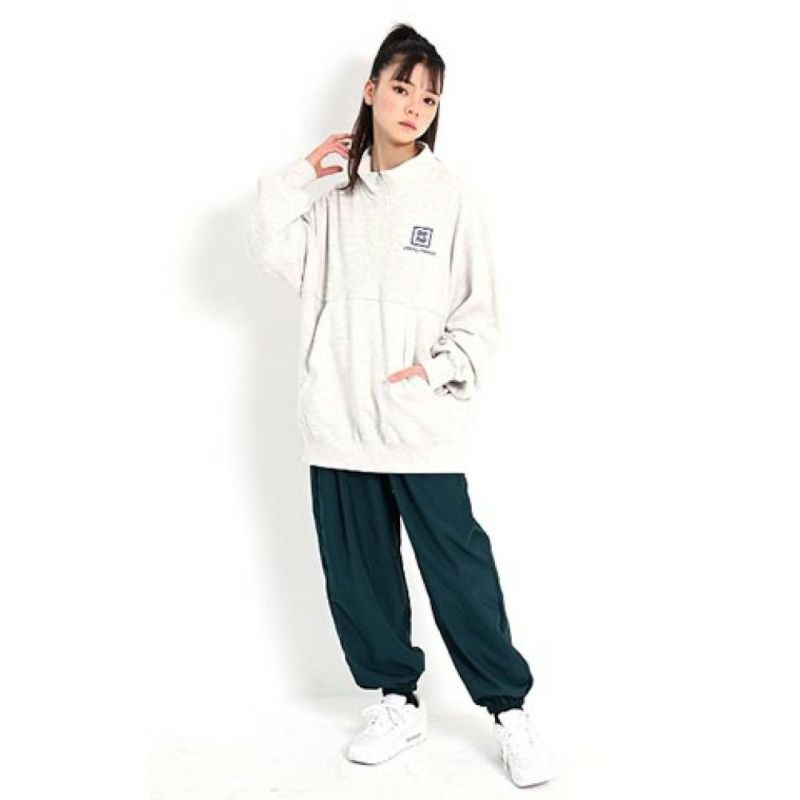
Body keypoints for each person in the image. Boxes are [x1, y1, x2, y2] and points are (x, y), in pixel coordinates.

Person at [247, 23, 555, 788]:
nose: (414, 105)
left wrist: (435, 369)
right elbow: (265, 240)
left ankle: (509, 711)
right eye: (401, 87)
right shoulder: (334, 206)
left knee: (460, 571)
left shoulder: (453, 199)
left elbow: (481, 314)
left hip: (420, 424)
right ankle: (395, 700)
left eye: (429, 96)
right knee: (358, 576)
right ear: (371, 91)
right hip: (339, 422)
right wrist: (303, 172)